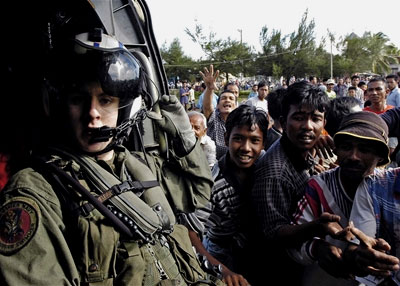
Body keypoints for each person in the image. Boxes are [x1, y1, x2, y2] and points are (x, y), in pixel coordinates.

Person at [0, 30, 223, 286]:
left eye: (105, 100)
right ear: (59, 107)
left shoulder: (139, 164)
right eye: (77, 99)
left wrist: (184, 140)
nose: (93, 113)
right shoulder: (37, 190)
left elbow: (197, 194)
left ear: (125, 108)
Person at [291, 111, 392, 286]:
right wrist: (317, 249)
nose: (354, 156)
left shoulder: (389, 190)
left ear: (381, 156)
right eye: (346, 147)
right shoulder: (319, 187)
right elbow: (293, 242)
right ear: (336, 150)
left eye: (365, 149)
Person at [251, 80, 330, 285]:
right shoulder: (275, 171)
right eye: (299, 118)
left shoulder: (301, 150)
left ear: (324, 124)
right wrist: (317, 227)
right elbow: (274, 233)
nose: (308, 126)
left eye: (315, 118)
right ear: (283, 122)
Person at [187, 104, 269, 286]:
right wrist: (222, 270)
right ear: (226, 138)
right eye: (238, 139)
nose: (246, 148)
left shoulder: (267, 163)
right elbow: (191, 233)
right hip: (222, 254)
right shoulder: (211, 183)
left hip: (259, 250)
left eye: (254, 140)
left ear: (263, 143)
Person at [200, 65, 238, 160]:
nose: (227, 100)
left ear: (236, 105)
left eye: (231, 99)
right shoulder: (214, 118)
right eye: (223, 98)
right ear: (217, 105)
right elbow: (207, 107)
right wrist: (209, 88)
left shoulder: (240, 121)